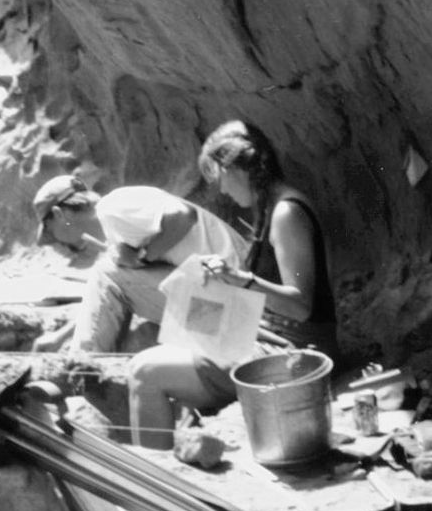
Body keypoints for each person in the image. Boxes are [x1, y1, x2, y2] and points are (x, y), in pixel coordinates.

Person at [127, 120, 338, 448]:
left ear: (236, 168)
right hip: (272, 335)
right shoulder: (269, 207)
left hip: (294, 352)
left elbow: (301, 305)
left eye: (220, 176)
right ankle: (186, 443)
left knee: (144, 372)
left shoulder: (286, 213)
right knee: (179, 334)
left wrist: (242, 280)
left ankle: (156, 484)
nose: (222, 189)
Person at [31, 175, 248, 354]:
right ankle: (84, 367)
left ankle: (81, 368)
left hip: (236, 310)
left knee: (107, 271)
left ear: (60, 215)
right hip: (229, 308)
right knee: (113, 276)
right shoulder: (117, 230)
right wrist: (60, 337)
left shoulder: (112, 207)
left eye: (51, 232)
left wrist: (141, 257)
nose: (57, 242)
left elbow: (183, 216)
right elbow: (102, 299)